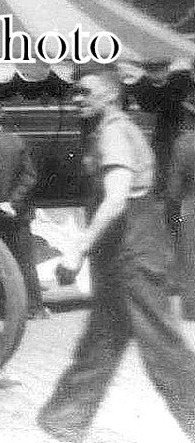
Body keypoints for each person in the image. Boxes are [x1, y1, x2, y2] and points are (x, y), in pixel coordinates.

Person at [37, 64, 195, 442]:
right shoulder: (113, 129)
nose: (77, 98)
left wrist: (78, 248)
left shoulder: (112, 133)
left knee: (162, 348)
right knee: (101, 341)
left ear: (110, 93)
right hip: (128, 252)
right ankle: (64, 418)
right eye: (75, 92)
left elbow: (116, 199)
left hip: (134, 253)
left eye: (85, 91)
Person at [0, 115, 48, 319]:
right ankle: (35, 308)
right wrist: (13, 202)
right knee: (25, 261)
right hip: (17, 214)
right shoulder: (16, 141)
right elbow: (30, 176)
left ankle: (2, 308)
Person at [166, 95, 195, 322]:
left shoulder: (184, 143)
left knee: (190, 259)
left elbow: (174, 188)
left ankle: (192, 309)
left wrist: (171, 206)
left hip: (191, 207)